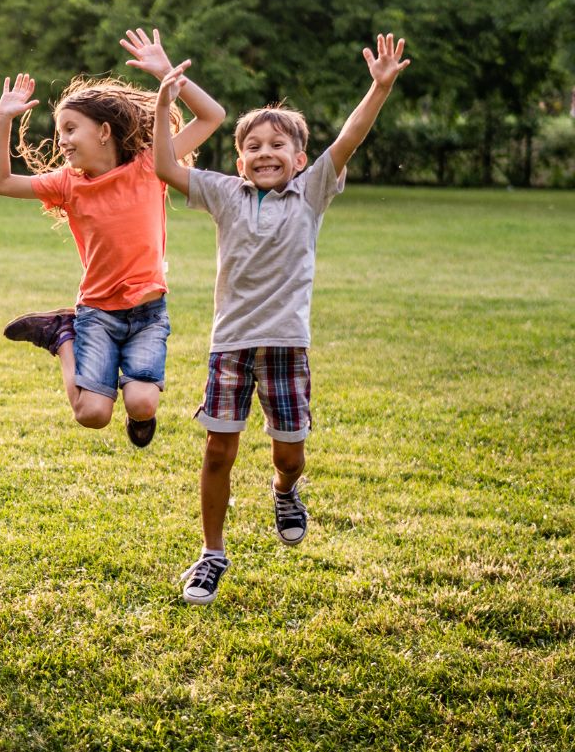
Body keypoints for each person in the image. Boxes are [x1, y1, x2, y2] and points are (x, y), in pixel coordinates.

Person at [155, 37, 411, 604]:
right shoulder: (224, 193)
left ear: (299, 159)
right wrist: (164, 98)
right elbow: (164, 165)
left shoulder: (311, 192)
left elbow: (349, 138)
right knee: (218, 450)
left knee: (289, 452)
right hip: (231, 346)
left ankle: (284, 490)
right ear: (239, 159)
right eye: (252, 145)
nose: (264, 152)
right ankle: (211, 554)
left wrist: (380, 86)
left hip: (287, 346)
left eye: (278, 144)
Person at [0, 29, 223, 448]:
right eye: (60, 132)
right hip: (97, 312)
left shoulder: (153, 165)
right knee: (92, 414)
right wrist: (3, 119)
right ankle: (62, 335)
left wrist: (169, 73)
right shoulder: (67, 184)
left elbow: (213, 117)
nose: (62, 140)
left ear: (104, 132)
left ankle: (137, 411)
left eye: (71, 129)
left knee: (143, 403)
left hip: (149, 312)